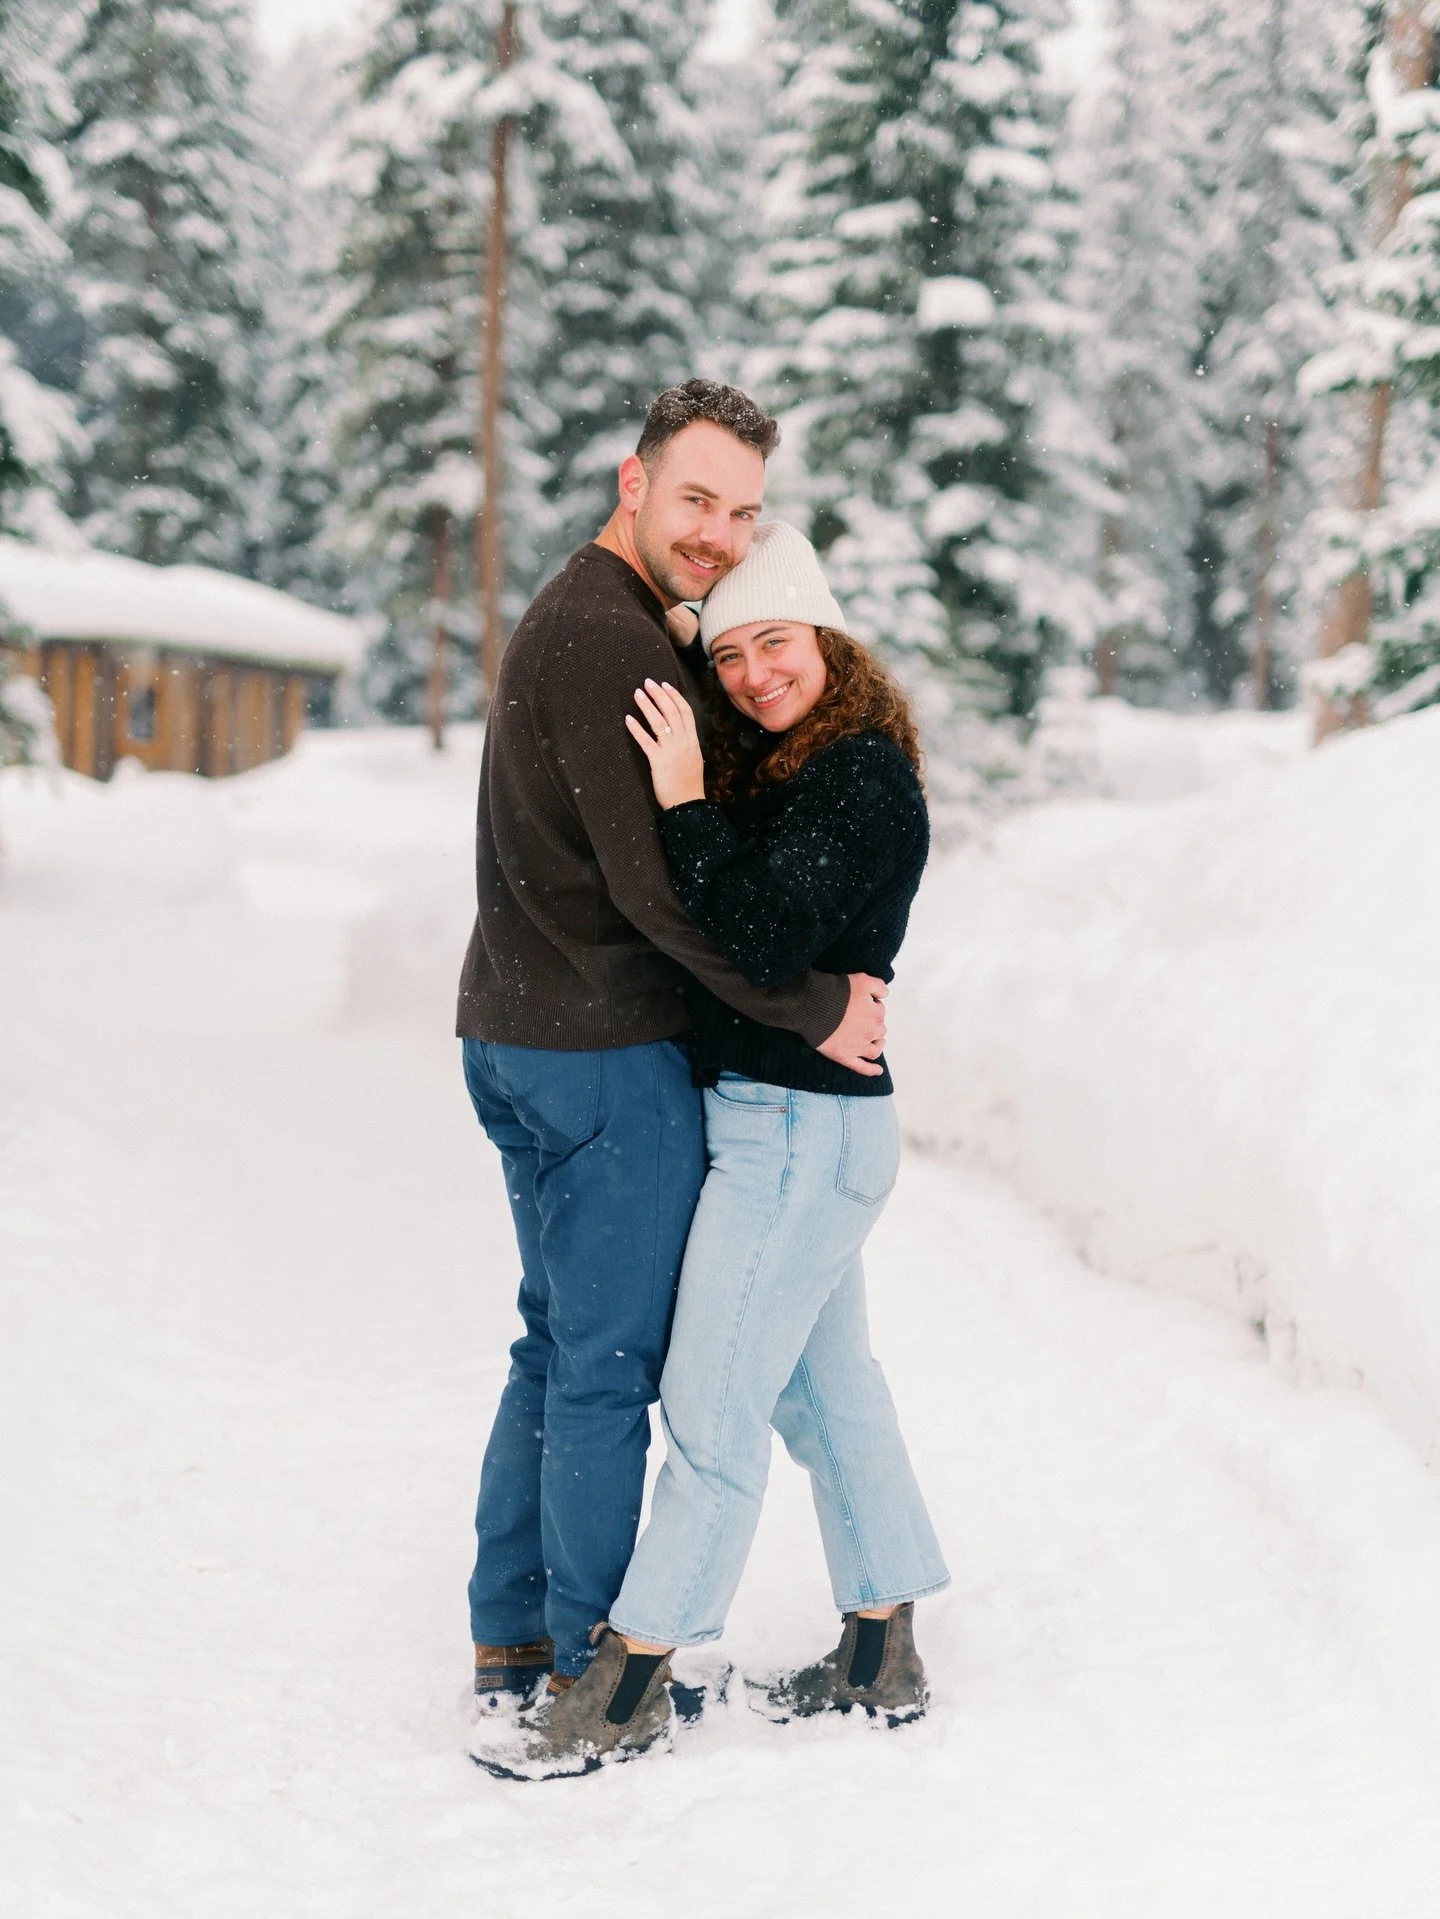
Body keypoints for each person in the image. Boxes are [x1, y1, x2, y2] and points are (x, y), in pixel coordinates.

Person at [474, 521, 949, 1781]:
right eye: (728, 652)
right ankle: (881, 1637)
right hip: (790, 1124)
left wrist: (683, 795)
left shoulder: (860, 775)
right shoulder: (795, 766)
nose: (751, 673)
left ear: (831, 639)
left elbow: (750, 927)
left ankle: (633, 1672)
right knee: (817, 1387)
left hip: (804, 1131)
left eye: (776, 641)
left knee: (713, 1403)